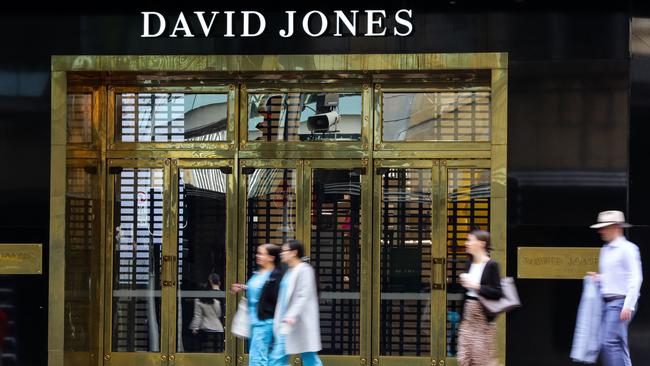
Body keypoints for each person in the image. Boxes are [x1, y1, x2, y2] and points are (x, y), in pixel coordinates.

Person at [588, 210, 643, 366]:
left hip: (620, 303)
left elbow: (636, 277)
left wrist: (628, 305)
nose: (601, 231)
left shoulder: (628, 248)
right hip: (609, 303)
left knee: (608, 342)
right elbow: (615, 276)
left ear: (616, 227)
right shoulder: (606, 250)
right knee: (618, 343)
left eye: (605, 227)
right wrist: (599, 278)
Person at [269, 239, 323, 366]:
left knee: (278, 358)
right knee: (309, 357)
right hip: (287, 322)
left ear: (294, 252)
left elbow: (303, 296)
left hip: (294, 322)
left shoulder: (304, 270)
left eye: (284, 251)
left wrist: (291, 316)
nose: (281, 253)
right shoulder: (290, 271)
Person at [231, 244, 284, 366]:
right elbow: (260, 290)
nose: (257, 256)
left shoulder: (274, 276)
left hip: (265, 323)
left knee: (257, 360)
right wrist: (244, 287)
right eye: (257, 253)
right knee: (268, 360)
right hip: (256, 322)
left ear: (271, 257)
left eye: (261, 253)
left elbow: (274, 296)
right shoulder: (259, 273)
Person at [457, 230, 503, 366]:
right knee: (464, 359)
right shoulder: (469, 264)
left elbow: (497, 292)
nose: (467, 243)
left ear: (481, 244)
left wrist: (476, 286)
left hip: (482, 321)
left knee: (481, 360)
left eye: (471, 240)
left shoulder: (491, 265)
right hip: (467, 318)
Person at [189, 273, 225, 352]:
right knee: (218, 352)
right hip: (219, 328)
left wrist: (195, 328)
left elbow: (197, 316)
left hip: (205, 328)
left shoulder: (198, 300)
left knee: (205, 352)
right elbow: (219, 314)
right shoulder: (218, 300)